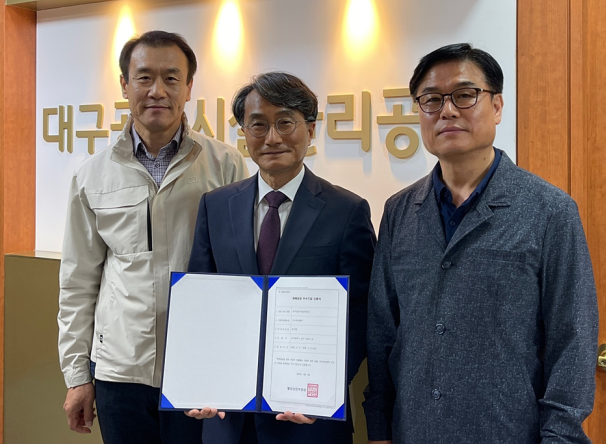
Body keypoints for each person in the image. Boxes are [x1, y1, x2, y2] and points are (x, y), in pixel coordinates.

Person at [363, 44, 598, 444]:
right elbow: (382, 329)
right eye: (431, 100)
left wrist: (560, 436)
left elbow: (573, 337)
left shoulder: (550, 211)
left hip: (507, 431)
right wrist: (379, 428)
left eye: (464, 95)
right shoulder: (399, 211)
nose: (447, 111)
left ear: (497, 106)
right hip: (413, 430)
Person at [58, 30, 248, 444]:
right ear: (124, 85)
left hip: (200, 368)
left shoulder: (225, 165)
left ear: (189, 87)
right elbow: (77, 283)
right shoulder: (92, 175)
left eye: (171, 78)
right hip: (119, 370)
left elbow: (241, 276)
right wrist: (77, 375)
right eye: (144, 77)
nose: (157, 91)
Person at [186, 71, 376, 444]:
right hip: (228, 420)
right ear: (244, 133)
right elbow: (201, 302)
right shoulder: (215, 205)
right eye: (258, 125)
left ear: (310, 129)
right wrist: (199, 380)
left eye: (285, 123)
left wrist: (326, 387)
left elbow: (361, 311)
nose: (272, 138)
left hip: (308, 422)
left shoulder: (347, 211)